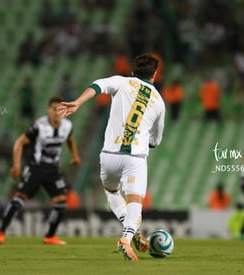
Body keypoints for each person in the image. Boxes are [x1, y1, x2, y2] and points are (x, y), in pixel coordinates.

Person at [57, 53, 165, 261]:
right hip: (135, 158)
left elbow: (98, 86)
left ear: (133, 71)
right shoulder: (159, 102)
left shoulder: (121, 82)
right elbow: (156, 140)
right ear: (155, 74)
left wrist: (78, 102)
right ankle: (126, 237)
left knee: (112, 192)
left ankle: (129, 230)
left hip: (108, 156)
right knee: (135, 203)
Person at [0, 96, 81, 245]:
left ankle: (50, 236)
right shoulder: (39, 126)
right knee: (19, 200)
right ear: (48, 110)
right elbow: (20, 143)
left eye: (60, 109)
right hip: (35, 168)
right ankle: (1, 232)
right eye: (54, 109)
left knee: (61, 202)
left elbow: (70, 140)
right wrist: (16, 166)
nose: (56, 112)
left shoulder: (67, 126)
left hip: (53, 170)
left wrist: (75, 156)